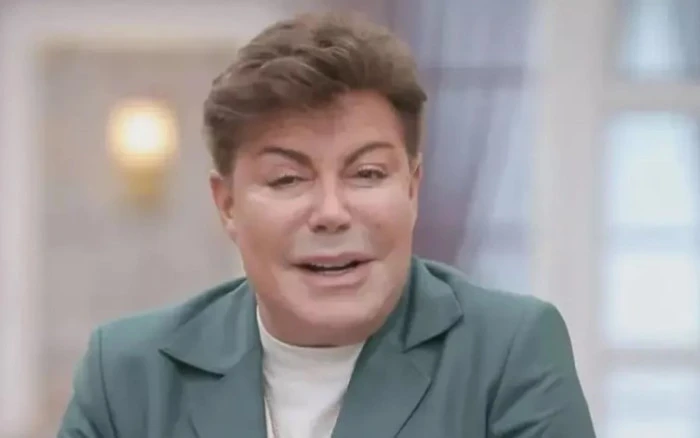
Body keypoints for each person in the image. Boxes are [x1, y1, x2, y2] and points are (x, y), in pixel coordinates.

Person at [57, 11, 596, 438]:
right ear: (228, 205)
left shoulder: (508, 353)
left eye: (367, 173)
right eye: (288, 179)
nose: (332, 212)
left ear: (412, 188)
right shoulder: (128, 374)